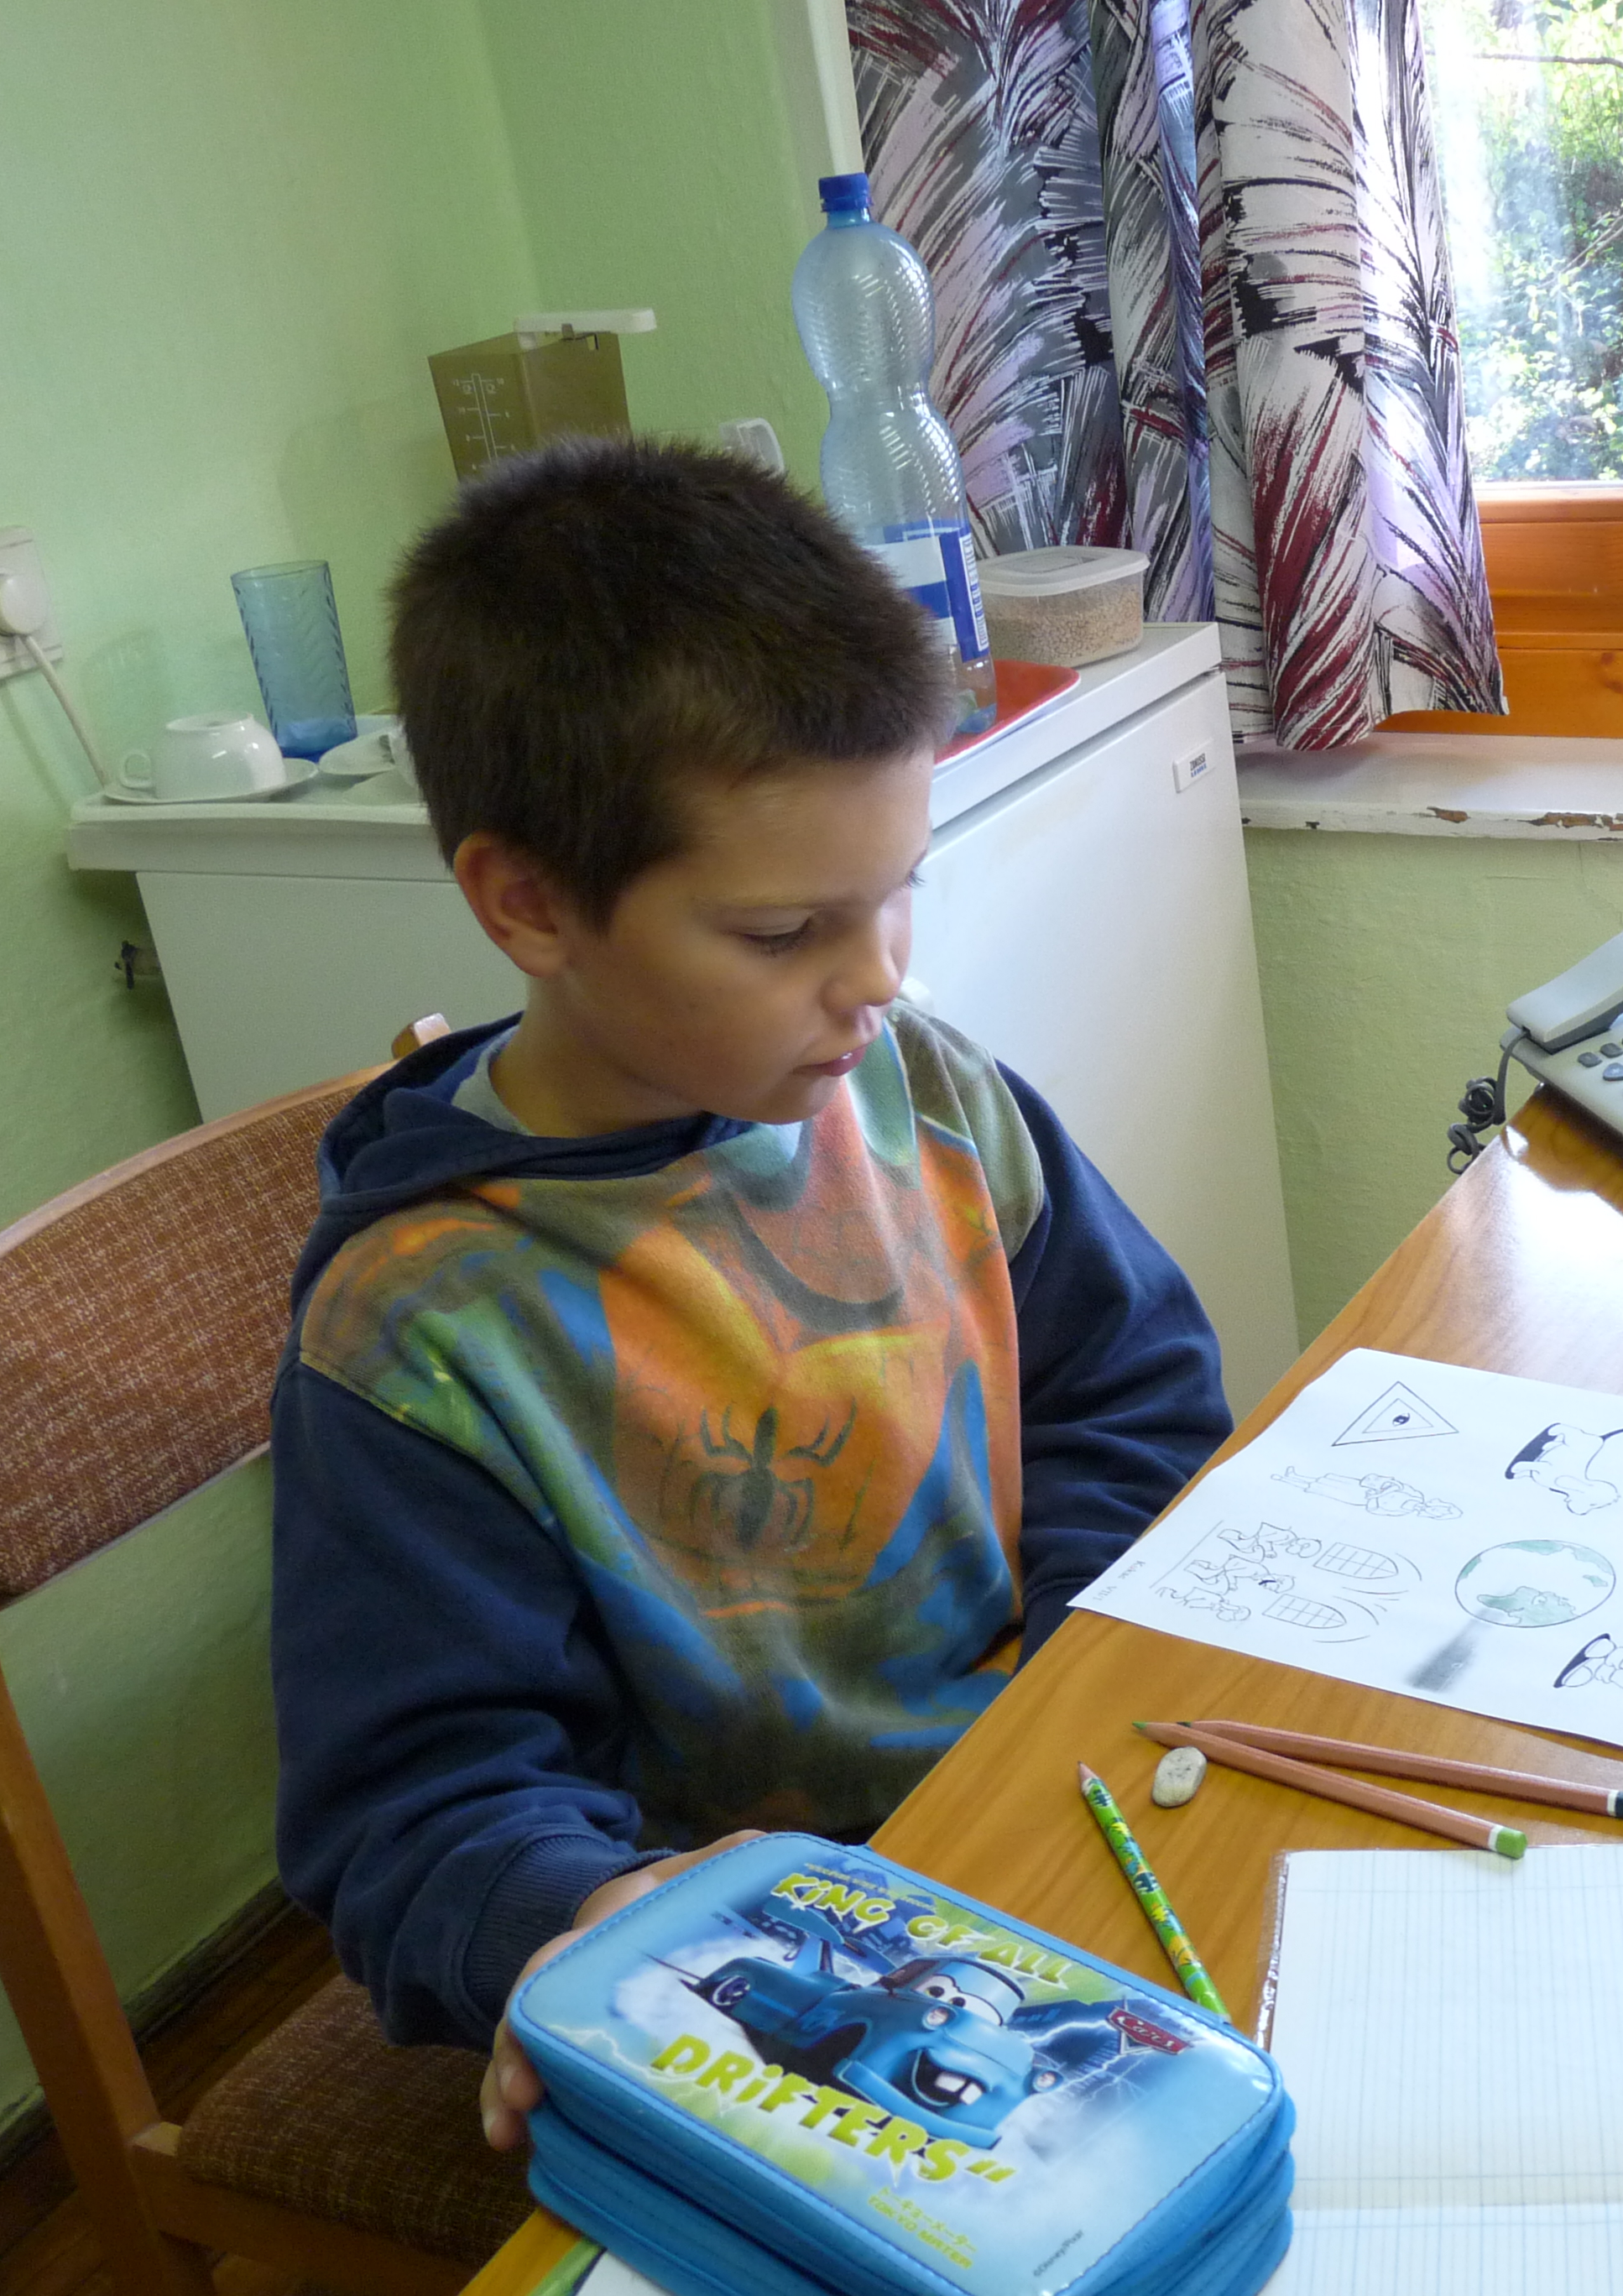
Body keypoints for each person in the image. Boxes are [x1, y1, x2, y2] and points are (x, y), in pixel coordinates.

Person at [265, 438, 1230, 2149]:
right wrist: (575, 1916)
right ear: (528, 904)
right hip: (748, 1981)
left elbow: (1128, 1384)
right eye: (785, 934)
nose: (878, 981)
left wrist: (1062, 1679)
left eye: (899, 891)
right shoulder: (428, 1331)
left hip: (1044, 1816)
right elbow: (419, 1807)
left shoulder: (925, 1091)